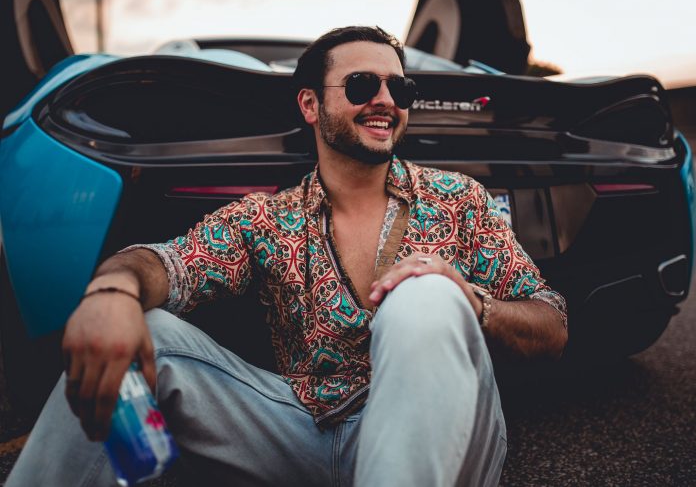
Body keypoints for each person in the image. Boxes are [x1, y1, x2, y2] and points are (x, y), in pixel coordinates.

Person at [6, 26, 567, 487]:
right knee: (139, 330)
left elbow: (552, 322)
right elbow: (169, 264)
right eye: (362, 84)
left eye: (400, 88)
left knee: (425, 294)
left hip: (445, 440)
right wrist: (111, 292)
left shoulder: (458, 199)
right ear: (310, 104)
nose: (385, 101)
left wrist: (469, 302)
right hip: (306, 435)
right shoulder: (268, 218)